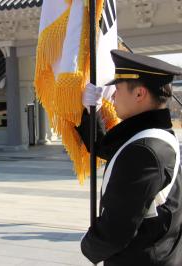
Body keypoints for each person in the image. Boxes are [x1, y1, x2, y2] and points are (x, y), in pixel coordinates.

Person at [78, 50, 182, 265]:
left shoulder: (144, 150)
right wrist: (92, 112)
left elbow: (115, 232)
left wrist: (88, 245)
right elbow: (110, 150)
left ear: (139, 94)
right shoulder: (154, 136)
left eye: (117, 89)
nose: (113, 96)